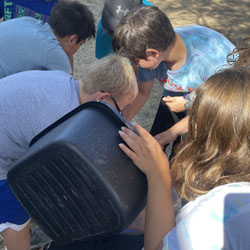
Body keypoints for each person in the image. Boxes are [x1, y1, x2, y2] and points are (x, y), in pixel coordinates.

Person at [0, 54, 138, 250]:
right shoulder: (60, 119)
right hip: (2, 159)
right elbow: (49, 174)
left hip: (9, 133)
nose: (120, 114)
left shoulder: (66, 83)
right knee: (15, 215)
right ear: (103, 97)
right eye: (119, 109)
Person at [119, 66, 250, 249]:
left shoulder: (220, 208)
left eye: (197, 120)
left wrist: (158, 175)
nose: (191, 126)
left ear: (230, 142)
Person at [112, 6, 235, 148]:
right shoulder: (151, 51)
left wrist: (185, 106)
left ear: (152, 54)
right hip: (179, 97)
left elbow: (220, 105)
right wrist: (119, 123)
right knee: (156, 141)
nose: (134, 66)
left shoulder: (212, 60)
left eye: (135, 61)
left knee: (183, 153)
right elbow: (142, 92)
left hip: (218, 106)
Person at [0, 0, 95, 78]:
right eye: (80, 44)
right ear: (72, 39)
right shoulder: (53, 51)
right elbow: (67, 88)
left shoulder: (30, 21)